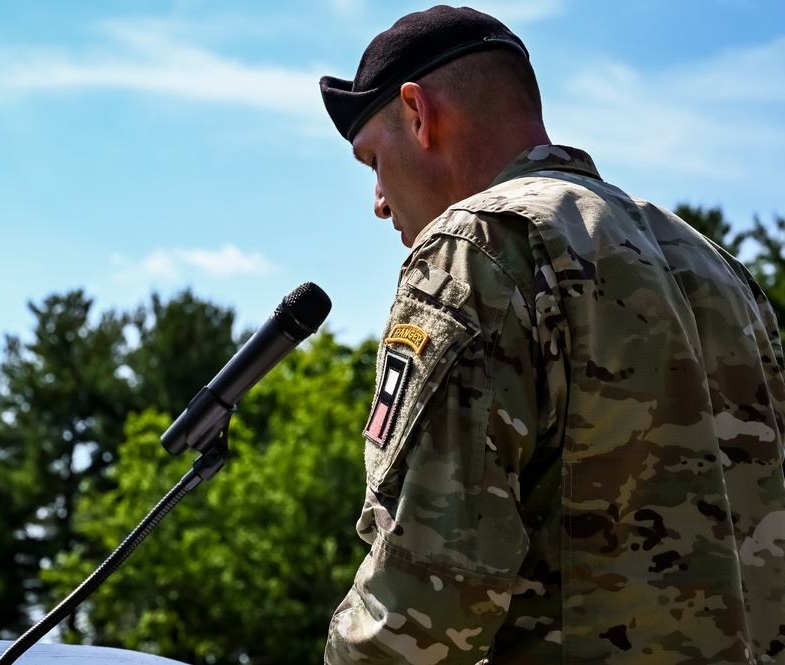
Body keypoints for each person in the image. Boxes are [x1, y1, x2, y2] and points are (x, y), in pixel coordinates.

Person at [319, 6, 785, 664]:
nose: (377, 199)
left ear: (418, 114)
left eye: (371, 158)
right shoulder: (718, 271)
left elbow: (424, 607)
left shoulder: (477, 246)